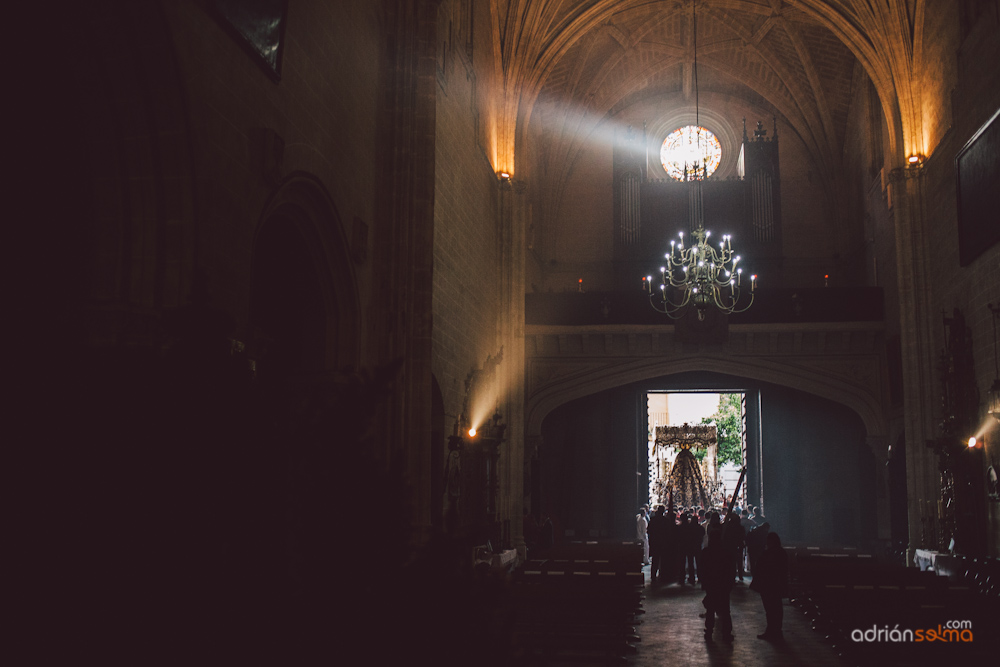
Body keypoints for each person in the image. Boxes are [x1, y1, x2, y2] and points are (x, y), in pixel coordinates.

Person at [750, 532, 789, 641]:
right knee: (776, 608)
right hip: (776, 584)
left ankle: (772, 630)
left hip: (769, 585)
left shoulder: (769, 553)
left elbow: (762, 568)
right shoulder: (781, 553)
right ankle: (775, 630)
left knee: (771, 609)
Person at [700, 528, 735, 642]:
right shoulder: (726, 553)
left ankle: (709, 630)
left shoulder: (706, 552)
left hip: (711, 584)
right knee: (725, 610)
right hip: (723, 585)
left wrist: (704, 583)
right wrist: (730, 584)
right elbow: (731, 570)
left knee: (710, 609)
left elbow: (702, 570)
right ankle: (726, 633)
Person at [722, 510, 747, 583]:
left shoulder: (727, 527)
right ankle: (740, 575)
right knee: (739, 561)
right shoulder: (740, 527)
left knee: (730, 562)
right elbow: (743, 536)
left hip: (729, 546)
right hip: (738, 546)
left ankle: (731, 576)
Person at [647, 506, 668, 585]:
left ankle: (653, 575)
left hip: (655, 542)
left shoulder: (653, 520)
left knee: (655, 560)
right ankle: (662, 575)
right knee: (662, 560)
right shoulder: (665, 521)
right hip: (662, 542)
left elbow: (648, 531)